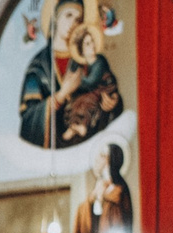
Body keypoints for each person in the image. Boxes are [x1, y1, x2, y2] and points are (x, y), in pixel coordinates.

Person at [18, 1, 123, 150]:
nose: (73, 24)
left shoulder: (87, 58)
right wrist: (61, 95)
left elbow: (108, 89)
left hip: (88, 147)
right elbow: (28, 120)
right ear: (55, 18)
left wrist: (113, 103)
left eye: (78, 20)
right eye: (68, 15)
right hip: (54, 153)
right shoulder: (39, 66)